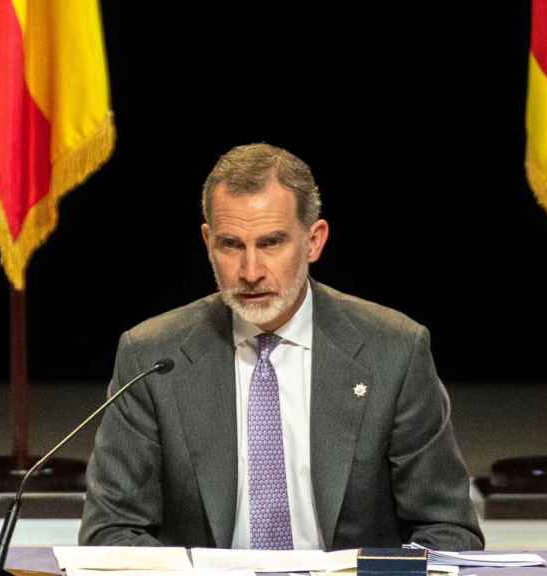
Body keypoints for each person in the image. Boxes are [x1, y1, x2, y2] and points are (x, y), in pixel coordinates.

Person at [79, 143, 484, 551]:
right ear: (207, 242)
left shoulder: (394, 351)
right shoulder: (150, 355)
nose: (250, 272)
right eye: (231, 245)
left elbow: (447, 529)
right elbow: (111, 531)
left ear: (314, 241)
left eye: (271, 243)